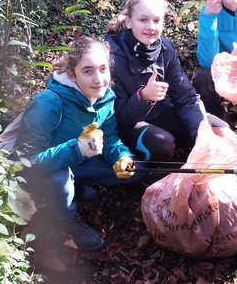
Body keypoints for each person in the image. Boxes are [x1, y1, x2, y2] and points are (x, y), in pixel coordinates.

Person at [14, 36, 144, 251]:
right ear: (72, 76)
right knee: (59, 179)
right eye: (88, 71)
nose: (99, 79)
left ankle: (75, 186)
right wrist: (76, 147)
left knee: (135, 170)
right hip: (48, 168)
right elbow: (23, 163)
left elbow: (110, 136)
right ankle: (66, 218)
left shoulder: (104, 97)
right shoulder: (49, 102)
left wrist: (122, 156)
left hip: (79, 160)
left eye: (103, 69)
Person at [105, 0, 228, 163]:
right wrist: (144, 98)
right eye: (143, 20)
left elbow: (185, 96)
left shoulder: (165, 48)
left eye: (156, 20)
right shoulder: (110, 58)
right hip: (129, 126)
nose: (150, 27)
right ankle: (146, 175)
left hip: (161, 114)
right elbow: (119, 119)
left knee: (217, 129)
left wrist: (200, 133)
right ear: (129, 22)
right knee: (162, 144)